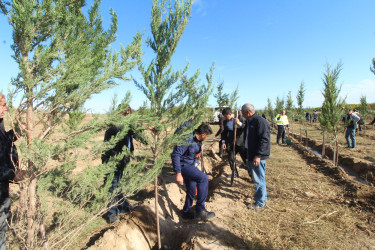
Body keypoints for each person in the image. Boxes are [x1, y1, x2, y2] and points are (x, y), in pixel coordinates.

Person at [101, 105, 148, 223]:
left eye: (128, 114)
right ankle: (111, 213)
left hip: (124, 160)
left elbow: (141, 138)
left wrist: (147, 133)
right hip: (112, 160)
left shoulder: (129, 126)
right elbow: (124, 129)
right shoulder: (114, 126)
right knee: (112, 186)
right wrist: (136, 125)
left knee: (122, 184)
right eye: (124, 114)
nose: (126, 116)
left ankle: (123, 206)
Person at [171, 123, 215, 221]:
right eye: (207, 136)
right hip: (183, 165)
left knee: (191, 188)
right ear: (203, 134)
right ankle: (200, 209)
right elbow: (175, 155)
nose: (206, 138)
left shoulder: (197, 140)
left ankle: (186, 212)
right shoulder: (187, 139)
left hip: (190, 164)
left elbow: (192, 153)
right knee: (203, 178)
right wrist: (178, 173)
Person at [0, 93, 23, 249]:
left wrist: (16, 133)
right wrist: (12, 174)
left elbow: (3, 143)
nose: (6, 108)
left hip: (2, 188)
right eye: (2, 104)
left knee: (3, 224)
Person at [242, 103, 270, 210]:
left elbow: (264, 140)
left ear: (248, 112)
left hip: (257, 155)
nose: (242, 114)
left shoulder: (260, 122)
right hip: (252, 153)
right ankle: (263, 198)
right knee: (260, 177)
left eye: (243, 112)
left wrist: (258, 155)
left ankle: (259, 202)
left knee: (258, 179)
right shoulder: (250, 121)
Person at [221, 108, 247, 178]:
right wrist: (223, 142)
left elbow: (246, 127)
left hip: (241, 143)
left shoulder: (240, 118)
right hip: (232, 143)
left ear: (230, 114)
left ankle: (252, 175)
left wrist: (239, 123)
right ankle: (235, 173)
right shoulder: (225, 122)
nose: (225, 118)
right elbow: (224, 132)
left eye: (226, 116)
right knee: (231, 158)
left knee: (246, 160)